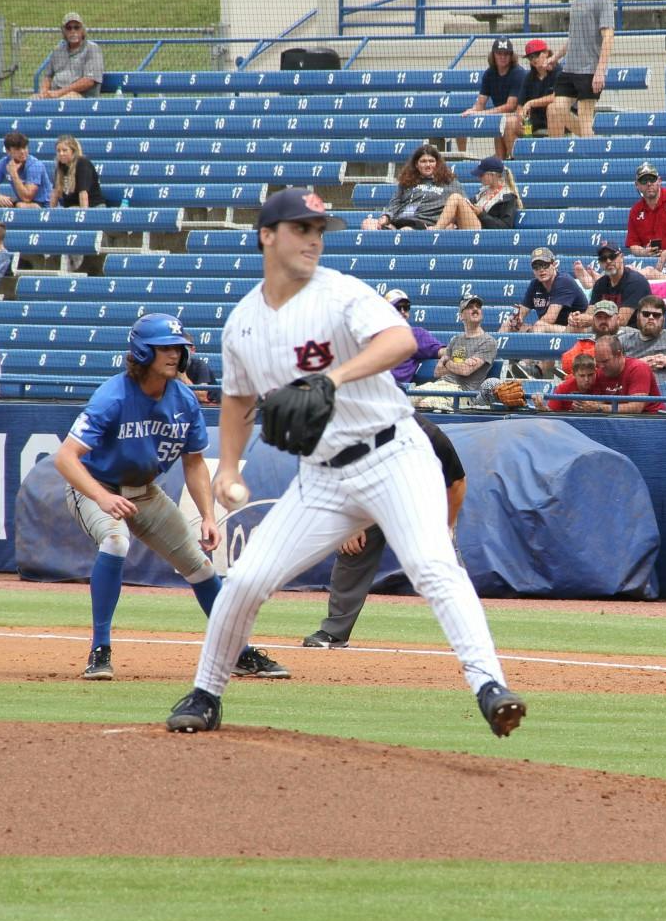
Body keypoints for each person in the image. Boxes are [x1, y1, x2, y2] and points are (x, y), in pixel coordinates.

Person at [163, 188, 523, 737]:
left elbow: (400, 339)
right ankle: (206, 693)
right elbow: (236, 400)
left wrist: (330, 379)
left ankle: (489, 686)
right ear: (267, 236)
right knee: (245, 579)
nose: (313, 239)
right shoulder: (242, 324)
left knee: (432, 564)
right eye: (300, 228)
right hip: (323, 478)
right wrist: (230, 468)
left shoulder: (340, 293)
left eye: (318, 229)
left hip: (393, 454)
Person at [54, 313, 285, 682]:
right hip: (96, 487)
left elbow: (194, 464)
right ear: (143, 352)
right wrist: (101, 497)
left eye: (178, 348)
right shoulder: (112, 396)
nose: (175, 355)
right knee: (115, 542)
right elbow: (65, 458)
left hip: (145, 492)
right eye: (165, 347)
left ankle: (238, 653)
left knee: (202, 567)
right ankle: (100, 650)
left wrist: (208, 516)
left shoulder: (185, 400)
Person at [305, 414, 469, 650]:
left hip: (420, 500)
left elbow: (457, 483)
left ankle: (466, 634)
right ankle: (334, 632)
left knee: (442, 560)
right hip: (372, 499)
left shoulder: (429, 435)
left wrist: (447, 525)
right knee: (353, 548)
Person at [549, 0, 614, 137]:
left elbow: (608, 36)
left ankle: (590, 156)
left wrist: (600, 71)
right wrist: (555, 57)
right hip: (570, 68)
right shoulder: (577, 0)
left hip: (589, 70)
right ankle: (589, 144)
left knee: (585, 117)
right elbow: (574, 37)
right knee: (556, 109)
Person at [362, 144, 476, 231]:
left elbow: (462, 208)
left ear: (437, 163)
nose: (428, 165)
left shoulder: (450, 183)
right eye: (423, 161)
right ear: (416, 164)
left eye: (431, 161)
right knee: (367, 223)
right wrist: (386, 217)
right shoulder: (407, 182)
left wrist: (448, 224)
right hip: (399, 221)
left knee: (406, 231)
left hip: (423, 225)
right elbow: (395, 203)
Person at [462, 38, 527, 161]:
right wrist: (473, 110)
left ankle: (516, 161)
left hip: (521, 118)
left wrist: (482, 113)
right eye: (499, 54)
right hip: (501, 118)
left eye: (506, 54)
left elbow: (510, 106)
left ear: (511, 56)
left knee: (504, 122)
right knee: (462, 118)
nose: (503, 57)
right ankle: (462, 162)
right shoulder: (489, 73)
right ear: (493, 55)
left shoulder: (518, 73)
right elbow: (481, 102)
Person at [504, 247, 587, 330]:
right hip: (551, 329)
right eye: (536, 266)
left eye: (545, 265)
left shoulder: (564, 281)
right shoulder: (534, 284)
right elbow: (521, 313)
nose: (541, 270)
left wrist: (529, 330)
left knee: (540, 326)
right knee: (508, 323)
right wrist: (517, 319)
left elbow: (549, 319)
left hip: (574, 330)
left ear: (554, 264)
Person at [580, 331, 664, 413]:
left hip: (651, 419)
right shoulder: (600, 372)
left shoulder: (638, 368)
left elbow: (636, 407)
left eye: (605, 361)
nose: (601, 366)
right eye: (598, 362)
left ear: (618, 355)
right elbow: (596, 402)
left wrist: (599, 408)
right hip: (617, 420)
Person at [379, 289, 445, 387]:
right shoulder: (373, 334)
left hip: (392, 390)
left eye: (406, 307)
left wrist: (453, 355)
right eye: (397, 308)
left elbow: (443, 351)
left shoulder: (416, 335)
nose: (402, 311)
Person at [574, 244, 651, 325]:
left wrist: (589, 320)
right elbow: (589, 313)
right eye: (603, 259)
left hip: (633, 332)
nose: (608, 261)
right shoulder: (600, 283)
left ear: (621, 257)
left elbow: (621, 321)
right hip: (606, 328)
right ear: (600, 263)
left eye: (612, 256)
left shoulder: (635, 282)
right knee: (575, 327)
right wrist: (577, 318)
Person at [625, 165, 666, 257]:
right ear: (637, 185)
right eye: (644, 180)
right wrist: (644, 252)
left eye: (652, 179)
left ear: (659, 181)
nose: (649, 184)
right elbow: (633, 245)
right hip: (652, 261)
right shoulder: (635, 211)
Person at [439, 294, 500, 392]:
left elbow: (465, 370)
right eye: (470, 307)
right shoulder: (456, 340)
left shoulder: (488, 341)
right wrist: (458, 365)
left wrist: (446, 362)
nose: (475, 309)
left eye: (478, 306)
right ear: (461, 316)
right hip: (441, 385)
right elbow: (438, 371)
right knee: (411, 398)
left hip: (460, 392)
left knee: (422, 404)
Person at [36, 14, 104, 99]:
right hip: (56, 94)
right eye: (69, 28)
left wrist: (59, 93)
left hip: (82, 97)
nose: (73, 31)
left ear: (82, 30)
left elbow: (88, 81)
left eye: (76, 27)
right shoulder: (57, 51)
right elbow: (48, 76)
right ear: (63, 31)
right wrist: (44, 92)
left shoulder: (92, 49)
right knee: (32, 101)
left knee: (67, 99)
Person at [0, 131, 50, 208]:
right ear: (8, 151)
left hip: (43, 205)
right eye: (17, 149)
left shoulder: (35, 165)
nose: (22, 152)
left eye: (24, 147)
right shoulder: (4, 163)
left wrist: (13, 173)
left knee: (21, 206)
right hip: (22, 202)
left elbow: (27, 198)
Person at [513, 38, 559, 146]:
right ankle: (516, 161)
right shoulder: (528, 77)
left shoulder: (559, 72)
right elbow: (520, 105)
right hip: (534, 121)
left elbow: (556, 97)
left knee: (552, 110)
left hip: (555, 119)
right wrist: (520, 115)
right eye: (530, 57)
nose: (534, 59)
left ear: (547, 53)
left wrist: (531, 103)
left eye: (537, 55)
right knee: (510, 124)